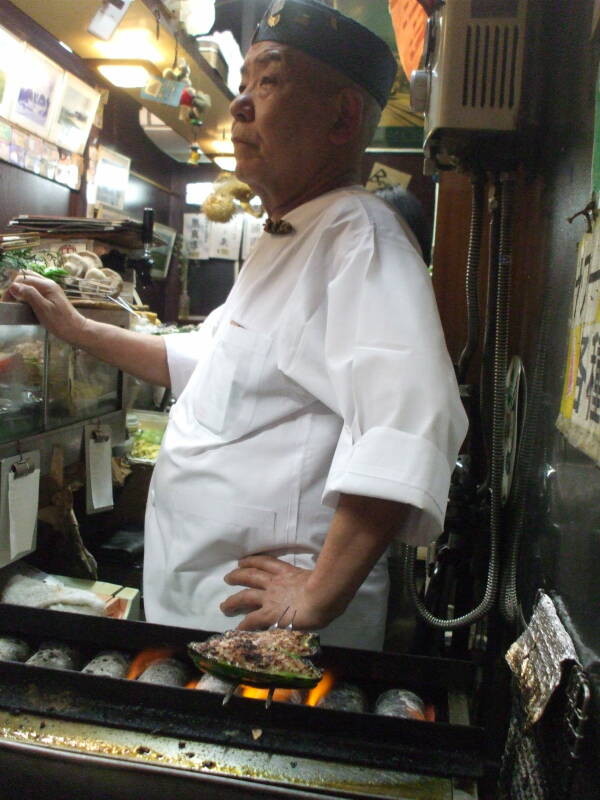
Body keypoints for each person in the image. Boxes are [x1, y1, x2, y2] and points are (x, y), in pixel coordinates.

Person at [4, 0, 467, 650]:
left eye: (269, 81)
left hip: (271, 644)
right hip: (209, 618)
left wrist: (318, 591)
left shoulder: (357, 235)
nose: (240, 105)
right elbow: (201, 360)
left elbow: (411, 419)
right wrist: (78, 328)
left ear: (342, 117)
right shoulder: (289, 235)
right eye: (243, 82)